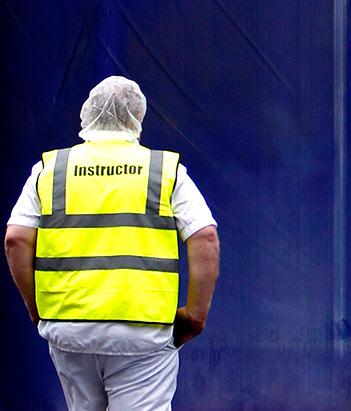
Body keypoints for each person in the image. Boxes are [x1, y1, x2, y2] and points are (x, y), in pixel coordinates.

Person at [4, 75, 219, 411]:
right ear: (138, 118)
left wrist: (37, 309)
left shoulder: (51, 170)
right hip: (142, 332)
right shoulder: (163, 170)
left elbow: (16, 238)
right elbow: (205, 236)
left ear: (87, 114)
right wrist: (195, 314)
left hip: (69, 329)